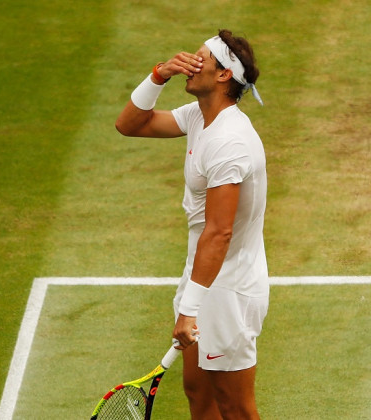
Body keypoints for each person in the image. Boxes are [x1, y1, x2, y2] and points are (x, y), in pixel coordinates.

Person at [115, 30, 268, 419]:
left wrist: (190, 308)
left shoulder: (229, 142)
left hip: (227, 289)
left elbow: (220, 232)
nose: (189, 61)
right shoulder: (202, 118)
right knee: (198, 395)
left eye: (201, 58)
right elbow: (130, 124)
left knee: (236, 408)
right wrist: (158, 75)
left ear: (222, 76)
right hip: (204, 277)